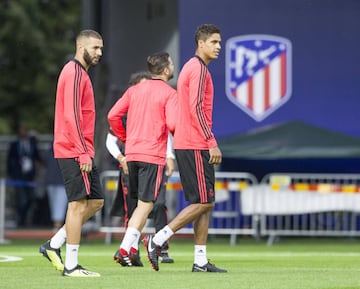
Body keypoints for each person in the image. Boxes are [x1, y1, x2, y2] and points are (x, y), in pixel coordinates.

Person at [143, 24, 227, 273]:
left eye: (219, 42)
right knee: (203, 202)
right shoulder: (199, 69)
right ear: (200, 43)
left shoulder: (192, 68)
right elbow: (197, 108)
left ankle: (200, 260)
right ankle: (157, 240)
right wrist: (211, 141)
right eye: (214, 42)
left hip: (188, 142)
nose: (218, 47)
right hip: (195, 143)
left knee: (204, 201)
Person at [39, 29, 104, 277]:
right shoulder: (75, 72)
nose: (99, 53)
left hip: (79, 148)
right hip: (74, 150)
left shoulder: (80, 73)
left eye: (101, 48)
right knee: (77, 205)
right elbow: (71, 116)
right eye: (95, 48)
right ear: (81, 47)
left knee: (96, 201)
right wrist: (83, 152)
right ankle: (71, 265)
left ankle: (53, 245)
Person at [107, 51, 177, 267]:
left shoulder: (134, 90)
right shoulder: (169, 93)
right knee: (146, 205)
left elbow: (112, 116)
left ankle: (130, 248)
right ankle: (125, 248)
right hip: (152, 155)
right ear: (165, 70)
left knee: (139, 205)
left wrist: (125, 137)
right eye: (172, 63)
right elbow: (173, 125)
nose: (174, 66)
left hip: (132, 154)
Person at [6, 124, 42, 227]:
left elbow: (37, 156)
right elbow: (10, 160)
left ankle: (24, 219)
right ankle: (20, 221)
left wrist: (38, 163)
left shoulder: (32, 143)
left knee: (31, 198)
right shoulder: (14, 144)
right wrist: (11, 174)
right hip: (18, 176)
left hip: (30, 176)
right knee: (21, 200)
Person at [45, 145, 67, 230]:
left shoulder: (66, 148)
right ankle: (57, 226)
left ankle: (57, 227)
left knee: (59, 205)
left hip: (62, 181)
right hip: (52, 181)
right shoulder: (50, 149)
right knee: (54, 205)